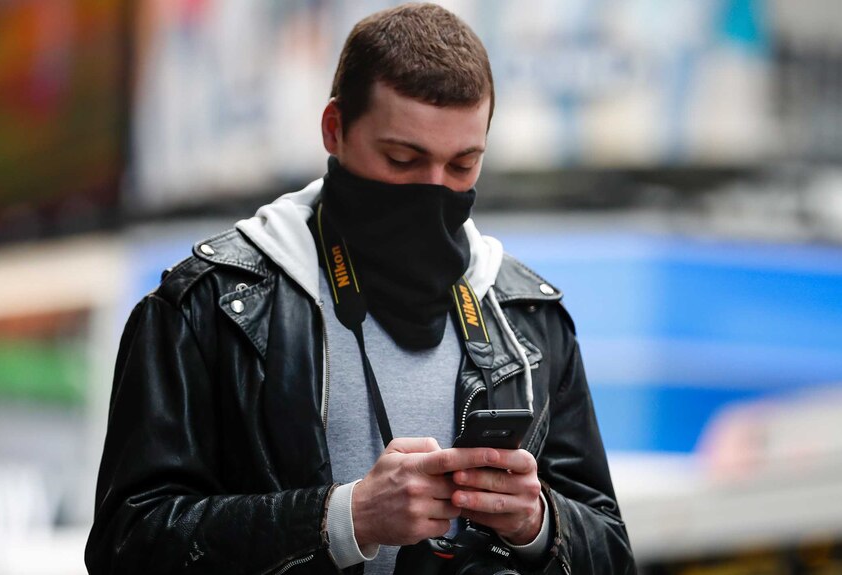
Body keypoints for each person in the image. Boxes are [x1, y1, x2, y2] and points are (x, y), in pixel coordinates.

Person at [85, 3, 636, 574]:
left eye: (462, 166)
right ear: (334, 129)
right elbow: (128, 545)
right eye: (403, 159)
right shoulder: (207, 307)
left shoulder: (527, 319)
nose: (433, 190)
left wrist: (537, 525)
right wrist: (345, 519)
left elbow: (613, 551)